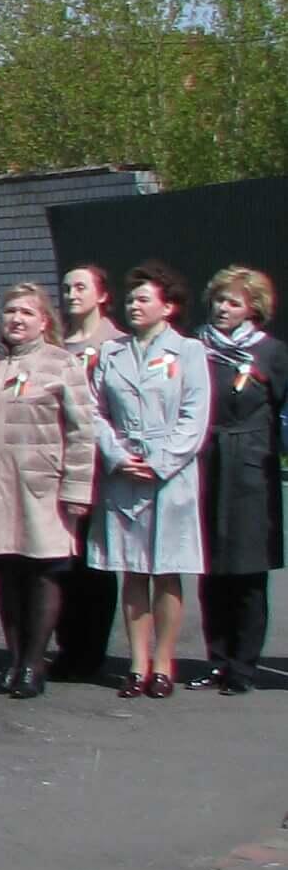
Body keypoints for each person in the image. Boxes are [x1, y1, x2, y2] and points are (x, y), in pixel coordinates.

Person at [0, 282, 96, 699]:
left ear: (44, 321)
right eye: (9, 312)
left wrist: (77, 486)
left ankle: (34, 664)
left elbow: (82, 430)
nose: (16, 320)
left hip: (42, 483)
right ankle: (13, 657)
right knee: (7, 573)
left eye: (26, 313)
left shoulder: (62, 364)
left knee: (42, 572)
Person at [91, 262, 211, 697]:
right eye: (131, 299)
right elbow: (95, 411)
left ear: (169, 306)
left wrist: (158, 461)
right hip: (124, 471)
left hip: (170, 475)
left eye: (144, 299)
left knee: (166, 570)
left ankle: (164, 663)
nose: (134, 306)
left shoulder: (190, 352)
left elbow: (194, 418)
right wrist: (118, 456)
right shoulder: (112, 352)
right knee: (133, 571)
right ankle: (137, 664)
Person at [196, 266, 285, 695]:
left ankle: (243, 666)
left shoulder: (271, 353)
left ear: (253, 308)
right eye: (219, 300)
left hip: (250, 468)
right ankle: (217, 659)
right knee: (210, 568)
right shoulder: (198, 349)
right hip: (207, 464)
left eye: (233, 302)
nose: (222, 308)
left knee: (248, 571)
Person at [54, 263, 126, 680]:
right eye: (65, 287)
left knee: (94, 562)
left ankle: (91, 650)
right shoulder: (56, 343)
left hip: (100, 464)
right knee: (63, 558)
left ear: (101, 295)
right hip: (58, 462)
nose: (71, 294)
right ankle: (66, 644)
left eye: (80, 287)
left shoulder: (116, 344)